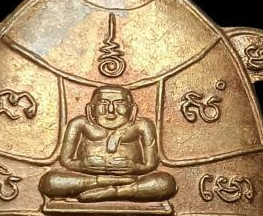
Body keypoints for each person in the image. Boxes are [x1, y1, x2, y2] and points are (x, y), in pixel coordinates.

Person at [39, 86, 176, 202]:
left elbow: (151, 164)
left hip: (130, 178)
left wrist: (135, 167)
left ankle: (115, 192)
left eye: (119, 104)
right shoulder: (79, 123)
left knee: (165, 183)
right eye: (103, 103)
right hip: (89, 179)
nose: (111, 110)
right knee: (50, 181)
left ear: (132, 109)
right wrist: (82, 165)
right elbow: (66, 160)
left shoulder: (142, 125)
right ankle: (111, 185)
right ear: (91, 108)